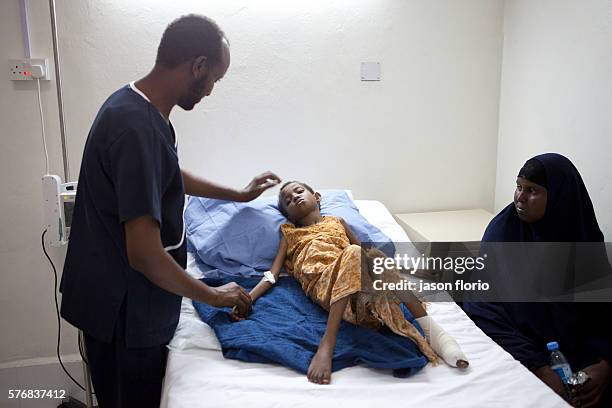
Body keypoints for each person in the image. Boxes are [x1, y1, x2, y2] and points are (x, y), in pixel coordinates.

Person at [60, 15, 280, 407]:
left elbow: (165, 173)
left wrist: (239, 194)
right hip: (123, 313)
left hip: (126, 301)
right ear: (197, 66)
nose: (212, 90)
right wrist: (214, 295)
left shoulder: (135, 105)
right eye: (215, 77)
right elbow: (143, 254)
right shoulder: (136, 128)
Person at [232, 181, 468, 385]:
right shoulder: (289, 232)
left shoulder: (338, 222)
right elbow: (273, 274)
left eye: (298, 191)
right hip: (325, 284)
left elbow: (367, 253)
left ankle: (431, 331)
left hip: (360, 296)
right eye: (287, 200)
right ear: (289, 215)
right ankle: (328, 342)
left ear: (316, 197)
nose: (294, 197)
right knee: (355, 253)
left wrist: (413, 270)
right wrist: (248, 298)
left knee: (370, 256)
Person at [463, 153, 611, 407]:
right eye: (518, 186)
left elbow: (603, 311)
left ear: (558, 197)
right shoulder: (504, 232)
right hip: (529, 349)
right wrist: (539, 368)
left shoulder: (580, 234)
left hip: (584, 356)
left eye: (532, 190)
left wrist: (606, 366)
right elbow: (483, 306)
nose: (520, 197)